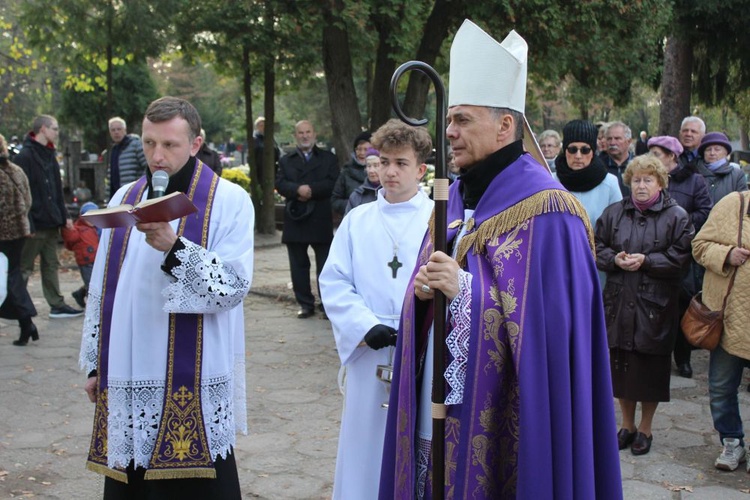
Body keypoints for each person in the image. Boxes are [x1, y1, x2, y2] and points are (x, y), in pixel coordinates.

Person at [379, 20, 622, 499]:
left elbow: (552, 338)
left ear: (505, 125)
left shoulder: (551, 212)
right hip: (439, 409)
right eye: (449, 119)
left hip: (512, 427)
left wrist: (466, 291)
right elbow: (424, 299)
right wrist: (425, 295)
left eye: (463, 120)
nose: (449, 131)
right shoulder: (455, 202)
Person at [79, 96, 254, 497]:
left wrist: (174, 248)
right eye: (148, 143)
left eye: (170, 145)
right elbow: (102, 290)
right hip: (129, 364)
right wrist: (96, 362)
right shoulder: (125, 195)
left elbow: (233, 287)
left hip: (194, 370)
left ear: (195, 144)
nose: (157, 156)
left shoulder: (229, 201)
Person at [320, 119, 434, 500]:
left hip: (420, 346)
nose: (388, 171)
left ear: (421, 169)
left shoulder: (441, 220)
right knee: (364, 443)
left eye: (400, 163)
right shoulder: (358, 220)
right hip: (369, 349)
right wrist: (364, 325)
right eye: (383, 161)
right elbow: (334, 281)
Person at [595, 155, 694, 456]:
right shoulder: (614, 213)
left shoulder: (677, 216)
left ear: (660, 183)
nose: (640, 185)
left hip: (655, 306)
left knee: (650, 371)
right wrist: (615, 259)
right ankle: (626, 426)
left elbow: (681, 258)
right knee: (623, 368)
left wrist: (647, 261)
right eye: (636, 179)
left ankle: (646, 429)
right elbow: (595, 246)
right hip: (618, 301)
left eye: (647, 179)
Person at [692, 190, 750, 472]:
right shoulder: (733, 203)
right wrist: (726, 254)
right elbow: (699, 245)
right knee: (721, 387)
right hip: (729, 320)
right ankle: (732, 441)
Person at [648, 135, 713, 379]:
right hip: (653, 251)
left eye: (657, 154)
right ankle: (658, 360)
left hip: (683, 253)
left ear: (672, 156)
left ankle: (683, 359)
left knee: (681, 306)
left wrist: (679, 222)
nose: (651, 158)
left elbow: (705, 211)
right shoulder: (649, 178)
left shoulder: (694, 180)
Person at [14, 115, 83, 318]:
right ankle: (16, 305)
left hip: (51, 221)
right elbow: (21, 194)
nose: (57, 132)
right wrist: (28, 222)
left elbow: (56, 189)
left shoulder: (50, 155)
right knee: (24, 267)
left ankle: (56, 304)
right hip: (34, 224)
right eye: (54, 128)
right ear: (43, 129)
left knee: (51, 264)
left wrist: (64, 216)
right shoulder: (25, 157)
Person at [275, 120, 339, 318]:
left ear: (314, 134)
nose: (305, 136)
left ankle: (327, 305)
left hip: (320, 217)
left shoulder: (328, 158)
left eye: (308, 132)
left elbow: (333, 182)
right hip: (296, 217)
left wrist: (311, 191)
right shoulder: (286, 160)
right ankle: (305, 304)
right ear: (296, 136)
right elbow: (280, 183)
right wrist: (297, 190)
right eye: (301, 133)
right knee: (298, 266)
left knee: (326, 266)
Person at [0, 133, 39, 346]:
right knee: (11, 275)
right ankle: (27, 324)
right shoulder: (16, 170)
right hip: (19, 232)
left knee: (8, 279)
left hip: (2, 234)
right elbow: (28, 200)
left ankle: (26, 321)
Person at [554, 119, 622, 228]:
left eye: (585, 150)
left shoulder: (609, 183)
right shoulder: (550, 181)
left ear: (593, 152)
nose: (578, 156)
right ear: (565, 150)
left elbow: (618, 226)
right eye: (572, 149)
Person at [61, 201, 100, 309]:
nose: (92, 220)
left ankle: (79, 293)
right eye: (89, 217)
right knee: (92, 285)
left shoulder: (97, 228)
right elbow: (70, 240)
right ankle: (93, 307)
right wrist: (67, 228)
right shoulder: (77, 229)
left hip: (97, 260)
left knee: (97, 281)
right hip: (86, 262)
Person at [696, 132, 747, 204]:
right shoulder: (694, 173)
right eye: (708, 150)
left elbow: (743, 203)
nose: (712, 153)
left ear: (725, 153)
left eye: (717, 149)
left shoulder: (737, 175)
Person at [105, 117, 149, 198]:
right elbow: (110, 177)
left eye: (119, 129)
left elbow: (148, 166)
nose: (116, 132)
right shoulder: (114, 150)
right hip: (118, 196)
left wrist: (139, 186)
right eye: (113, 130)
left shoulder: (135, 145)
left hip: (134, 194)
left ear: (125, 130)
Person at [331, 131, 372, 215]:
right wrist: (353, 204)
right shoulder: (346, 172)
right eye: (359, 149)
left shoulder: (381, 172)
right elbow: (335, 200)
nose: (362, 153)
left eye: (366, 149)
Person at [344, 147, 381, 214]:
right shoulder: (357, 196)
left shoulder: (392, 193)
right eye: (369, 166)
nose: (371, 171)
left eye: (376, 166)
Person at [603, 121, 635, 196]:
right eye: (609, 139)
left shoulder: (639, 166)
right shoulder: (599, 166)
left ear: (629, 141)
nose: (612, 143)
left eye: (617, 138)